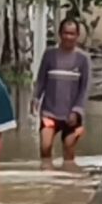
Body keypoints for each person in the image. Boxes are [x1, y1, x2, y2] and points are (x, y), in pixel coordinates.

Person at [34, 18, 91, 165]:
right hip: (49, 112)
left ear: (77, 35)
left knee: (68, 151)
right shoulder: (49, 55)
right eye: (65, 33)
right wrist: (35, 97)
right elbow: (41, 80)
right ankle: (47, 179)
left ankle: (68, 181)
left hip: (71, 115)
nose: (68, 37)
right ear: (60, 34)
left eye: (72, 34)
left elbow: (85, 88)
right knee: (45, 147)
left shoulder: (83, 59)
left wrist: (77, 111)